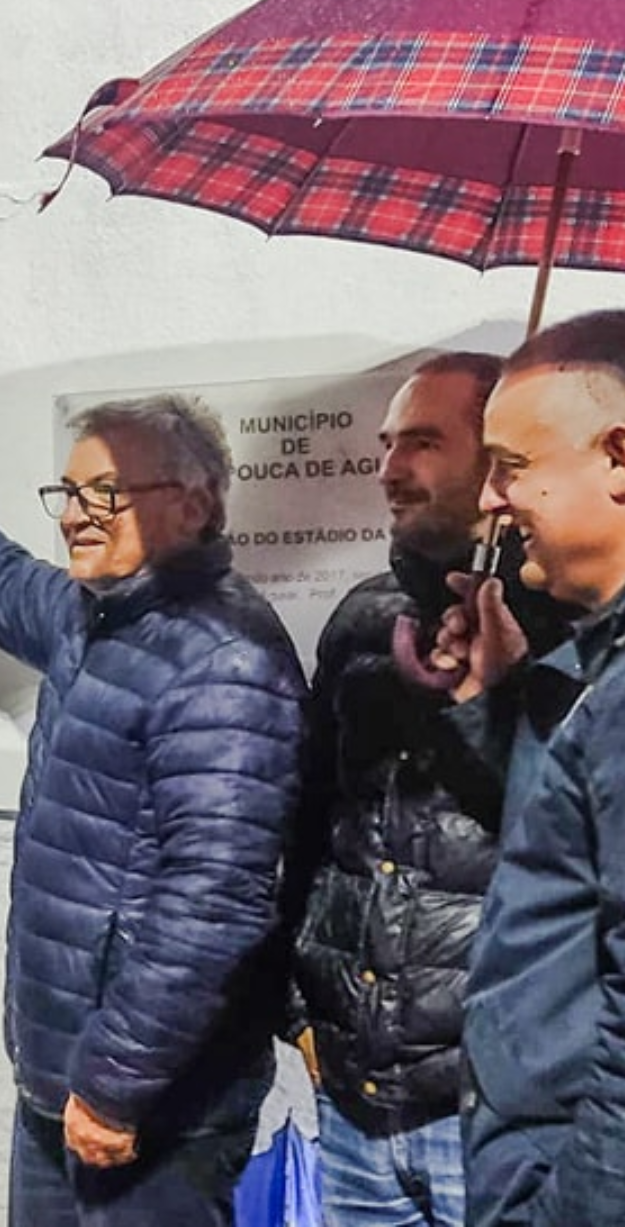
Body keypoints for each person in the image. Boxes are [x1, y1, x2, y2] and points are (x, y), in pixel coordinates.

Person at [0, 397, 305, 1227]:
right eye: (69, 492)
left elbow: (216, 900)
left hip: (156, 1107)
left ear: (194, 506)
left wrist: (115, 1085)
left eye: (109, 491)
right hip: (67, 1083)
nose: (79, 515)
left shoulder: (227, 660)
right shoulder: (97, 619)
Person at [289, 353, 570, 1227]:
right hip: (358, 1103)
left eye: (421, 441)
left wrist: (501, 693)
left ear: (497, 460)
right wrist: (298, 1004)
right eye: (386, 444)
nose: (388, 469)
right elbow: (309, 823)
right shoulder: (367, 620)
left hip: (496, 1110)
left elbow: (570, 846)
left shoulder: (580, 629)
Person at [433, 312, 625, 1226]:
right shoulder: (594, 668)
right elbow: (562, 859)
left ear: (620, 456)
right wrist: (492, 698)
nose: (492, 503)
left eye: (511, 466)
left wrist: (567, 1207)